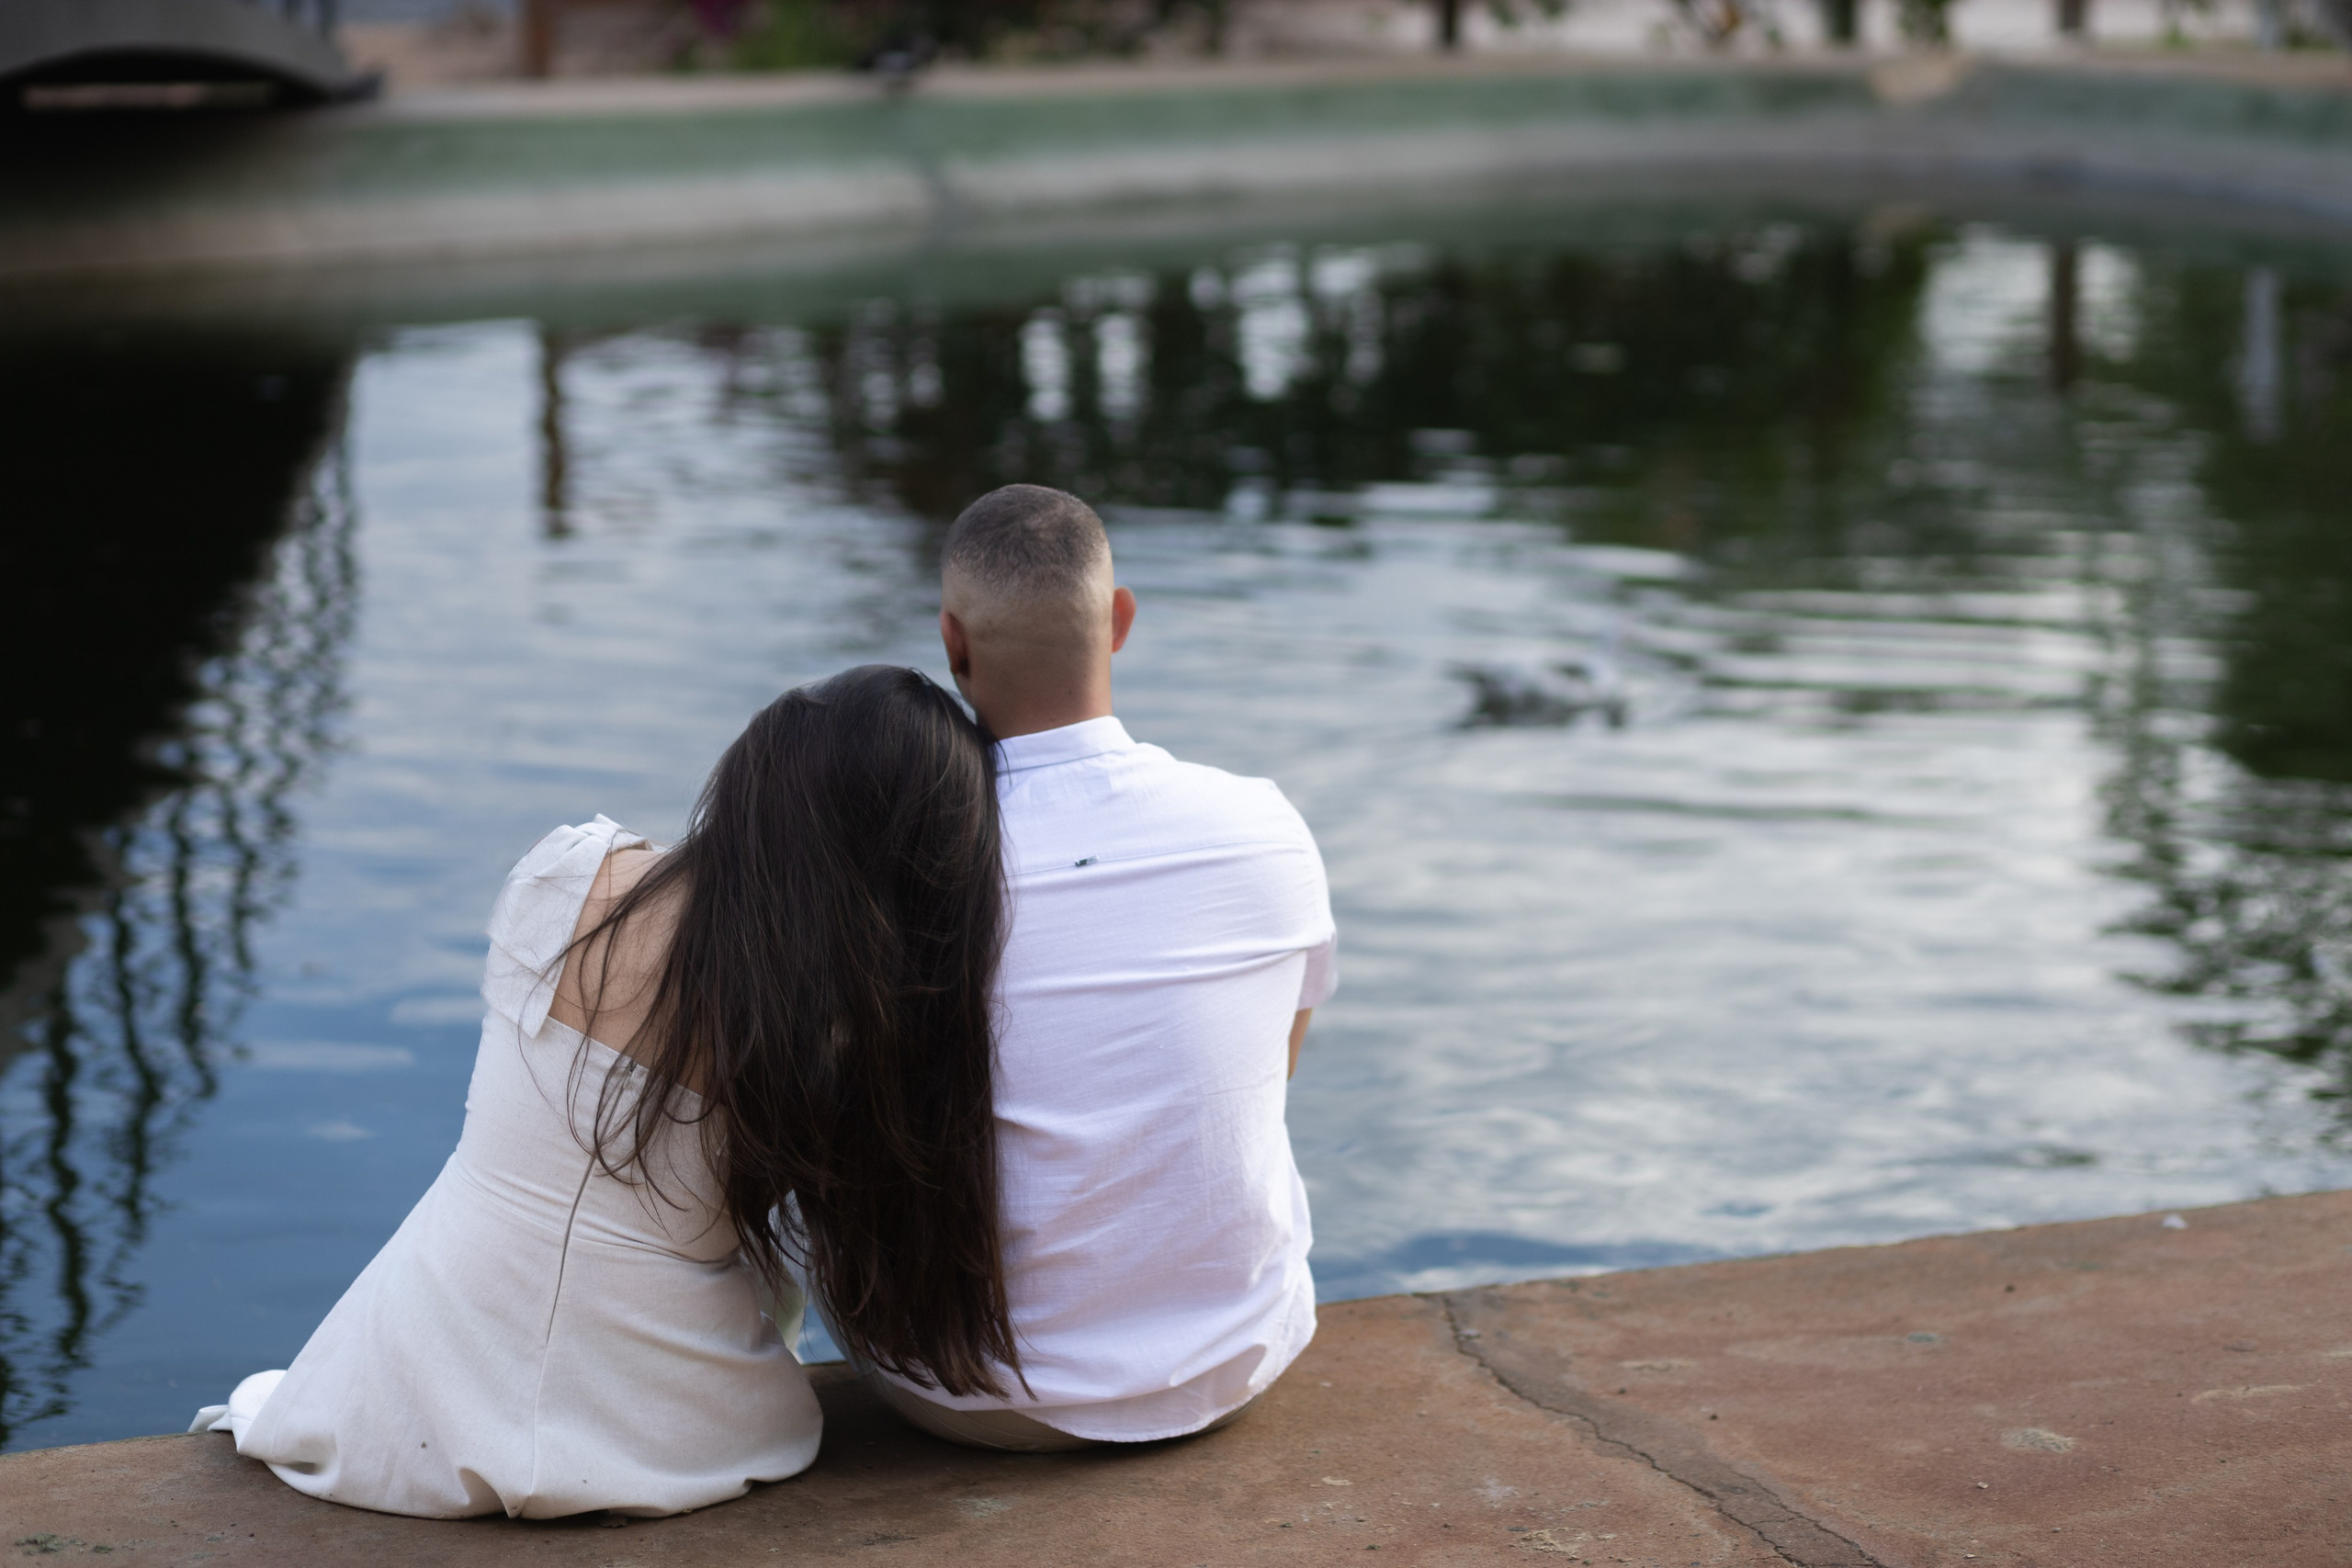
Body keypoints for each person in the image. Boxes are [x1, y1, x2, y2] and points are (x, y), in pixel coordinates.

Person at [192, 665, 1017, 1518]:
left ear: (752, 778)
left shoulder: (569, 874)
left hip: (408, 1375)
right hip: (664, 1417)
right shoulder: (843, 1028)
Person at [842, 483, 1337, 1451]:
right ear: (1118, 621)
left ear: (953, 642)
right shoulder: (1262, 823)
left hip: (958, 1398)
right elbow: (1268, 1074)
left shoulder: (897, 862)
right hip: (1226, 1367)